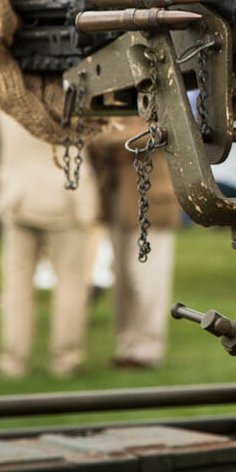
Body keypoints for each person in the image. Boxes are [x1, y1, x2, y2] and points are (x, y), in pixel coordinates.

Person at [0, 112, 99, 378]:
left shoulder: (6, 96)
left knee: (16, 285)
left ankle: (12, 361)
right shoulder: (75, 97)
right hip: (67, 195)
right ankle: (66, 359)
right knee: (72, 283)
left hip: (19, 193)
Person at [88, 119, 181, 369]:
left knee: (148, 279)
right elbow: (95, 140)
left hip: (151, 203)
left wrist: (110, 138)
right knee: (123, 279)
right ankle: (129, 344)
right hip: (116, 199)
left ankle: (148, 348)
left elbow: (155, 133)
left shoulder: (157, 95)